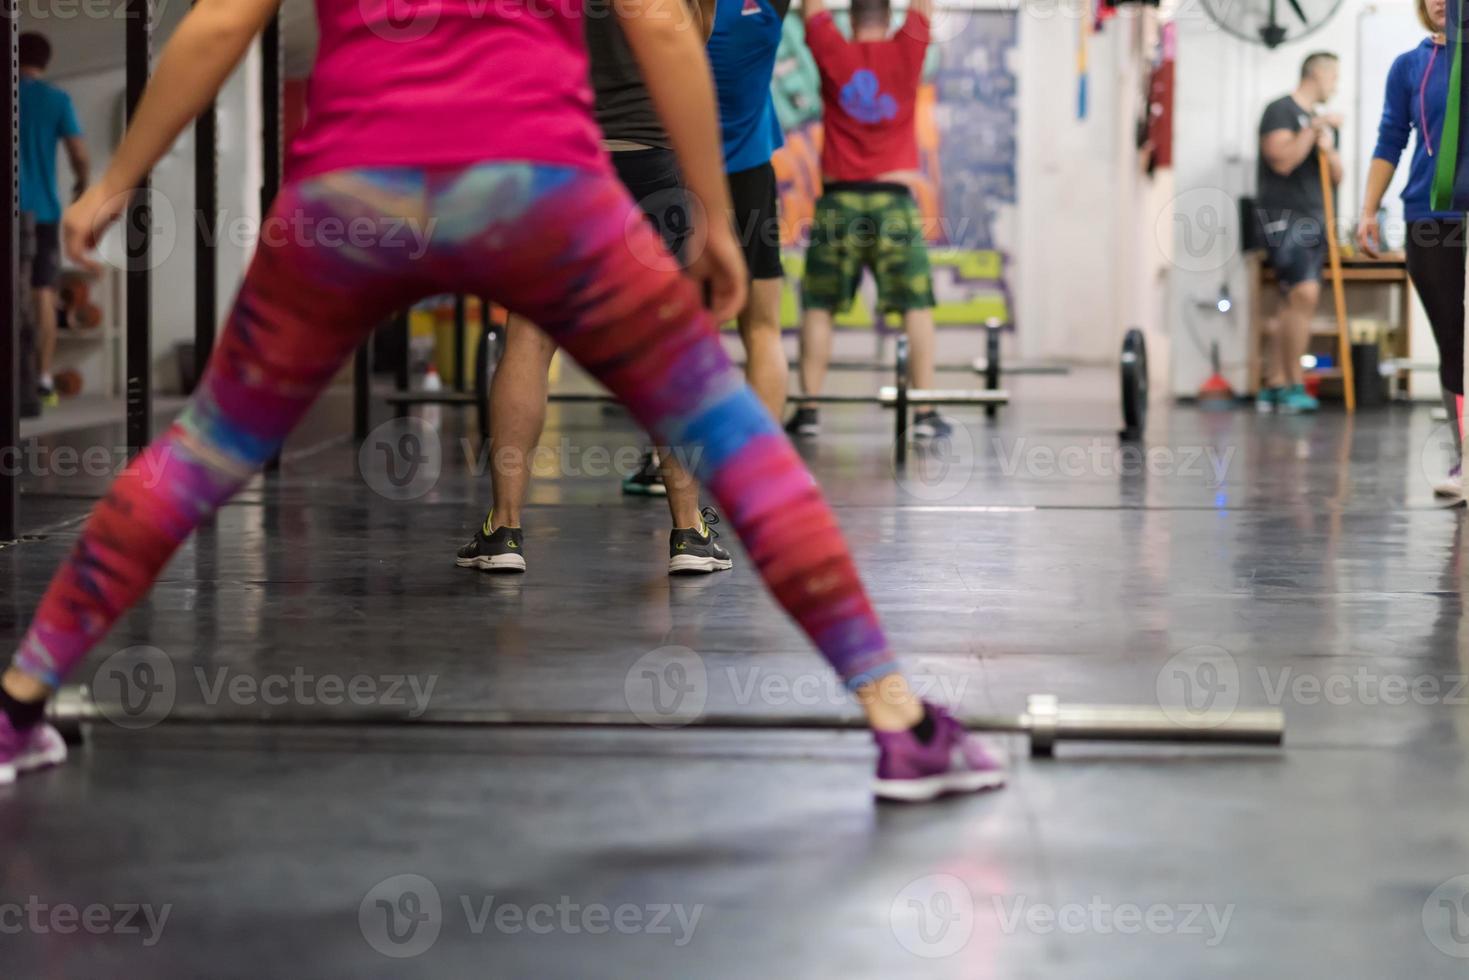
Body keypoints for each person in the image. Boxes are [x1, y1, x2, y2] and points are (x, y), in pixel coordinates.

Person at [0, 0, 1004, 802]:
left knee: (205, 446)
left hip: (351, 193)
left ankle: (18, 701)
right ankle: (900, 725)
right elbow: (657, 20)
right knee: (728, 432)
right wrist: (710, 212)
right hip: (538, 188)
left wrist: (115, 182)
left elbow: (224, 19)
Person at [456, 0, 733, 576]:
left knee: (529, 342)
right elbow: (694, 39)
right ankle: (688, 533)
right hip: (649, 162)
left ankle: (504, 529)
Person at [786, 0, 944, 440]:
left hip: (840, 201)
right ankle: (925, 412)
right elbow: (923, 7)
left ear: (850, 18)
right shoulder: (909, 47)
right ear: (889, 18)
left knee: (819, 306)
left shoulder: (831, 47)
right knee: (915, 304)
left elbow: (810, 7)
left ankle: (810, 410)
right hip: (893, 200)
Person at [1358, 0, 1463, 499]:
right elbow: (1389, 140)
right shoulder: (1409, 66)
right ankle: (1465, 461)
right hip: (1429, 215)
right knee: (1452, 340)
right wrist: (1367, 210)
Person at [1255, 51, 1343, 415]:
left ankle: (1276, 381)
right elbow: (1283, 160)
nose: (1336, 85)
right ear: (1317, 75)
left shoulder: (1323, 125)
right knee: (1303, 294)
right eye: (1334, 77)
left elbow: (1338, 176)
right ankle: (1293, 383)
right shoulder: (1281, 111)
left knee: (1293, 297)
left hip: (1316, 217)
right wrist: (1312, 129)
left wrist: (1328, 147)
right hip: (1284, 219)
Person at [17, 31, 90, 409]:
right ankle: (43, 379)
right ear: (45, 62)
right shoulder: (56, 99)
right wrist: (83, 182)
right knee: (41, 293)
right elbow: (78, 151)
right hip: (42, 211)